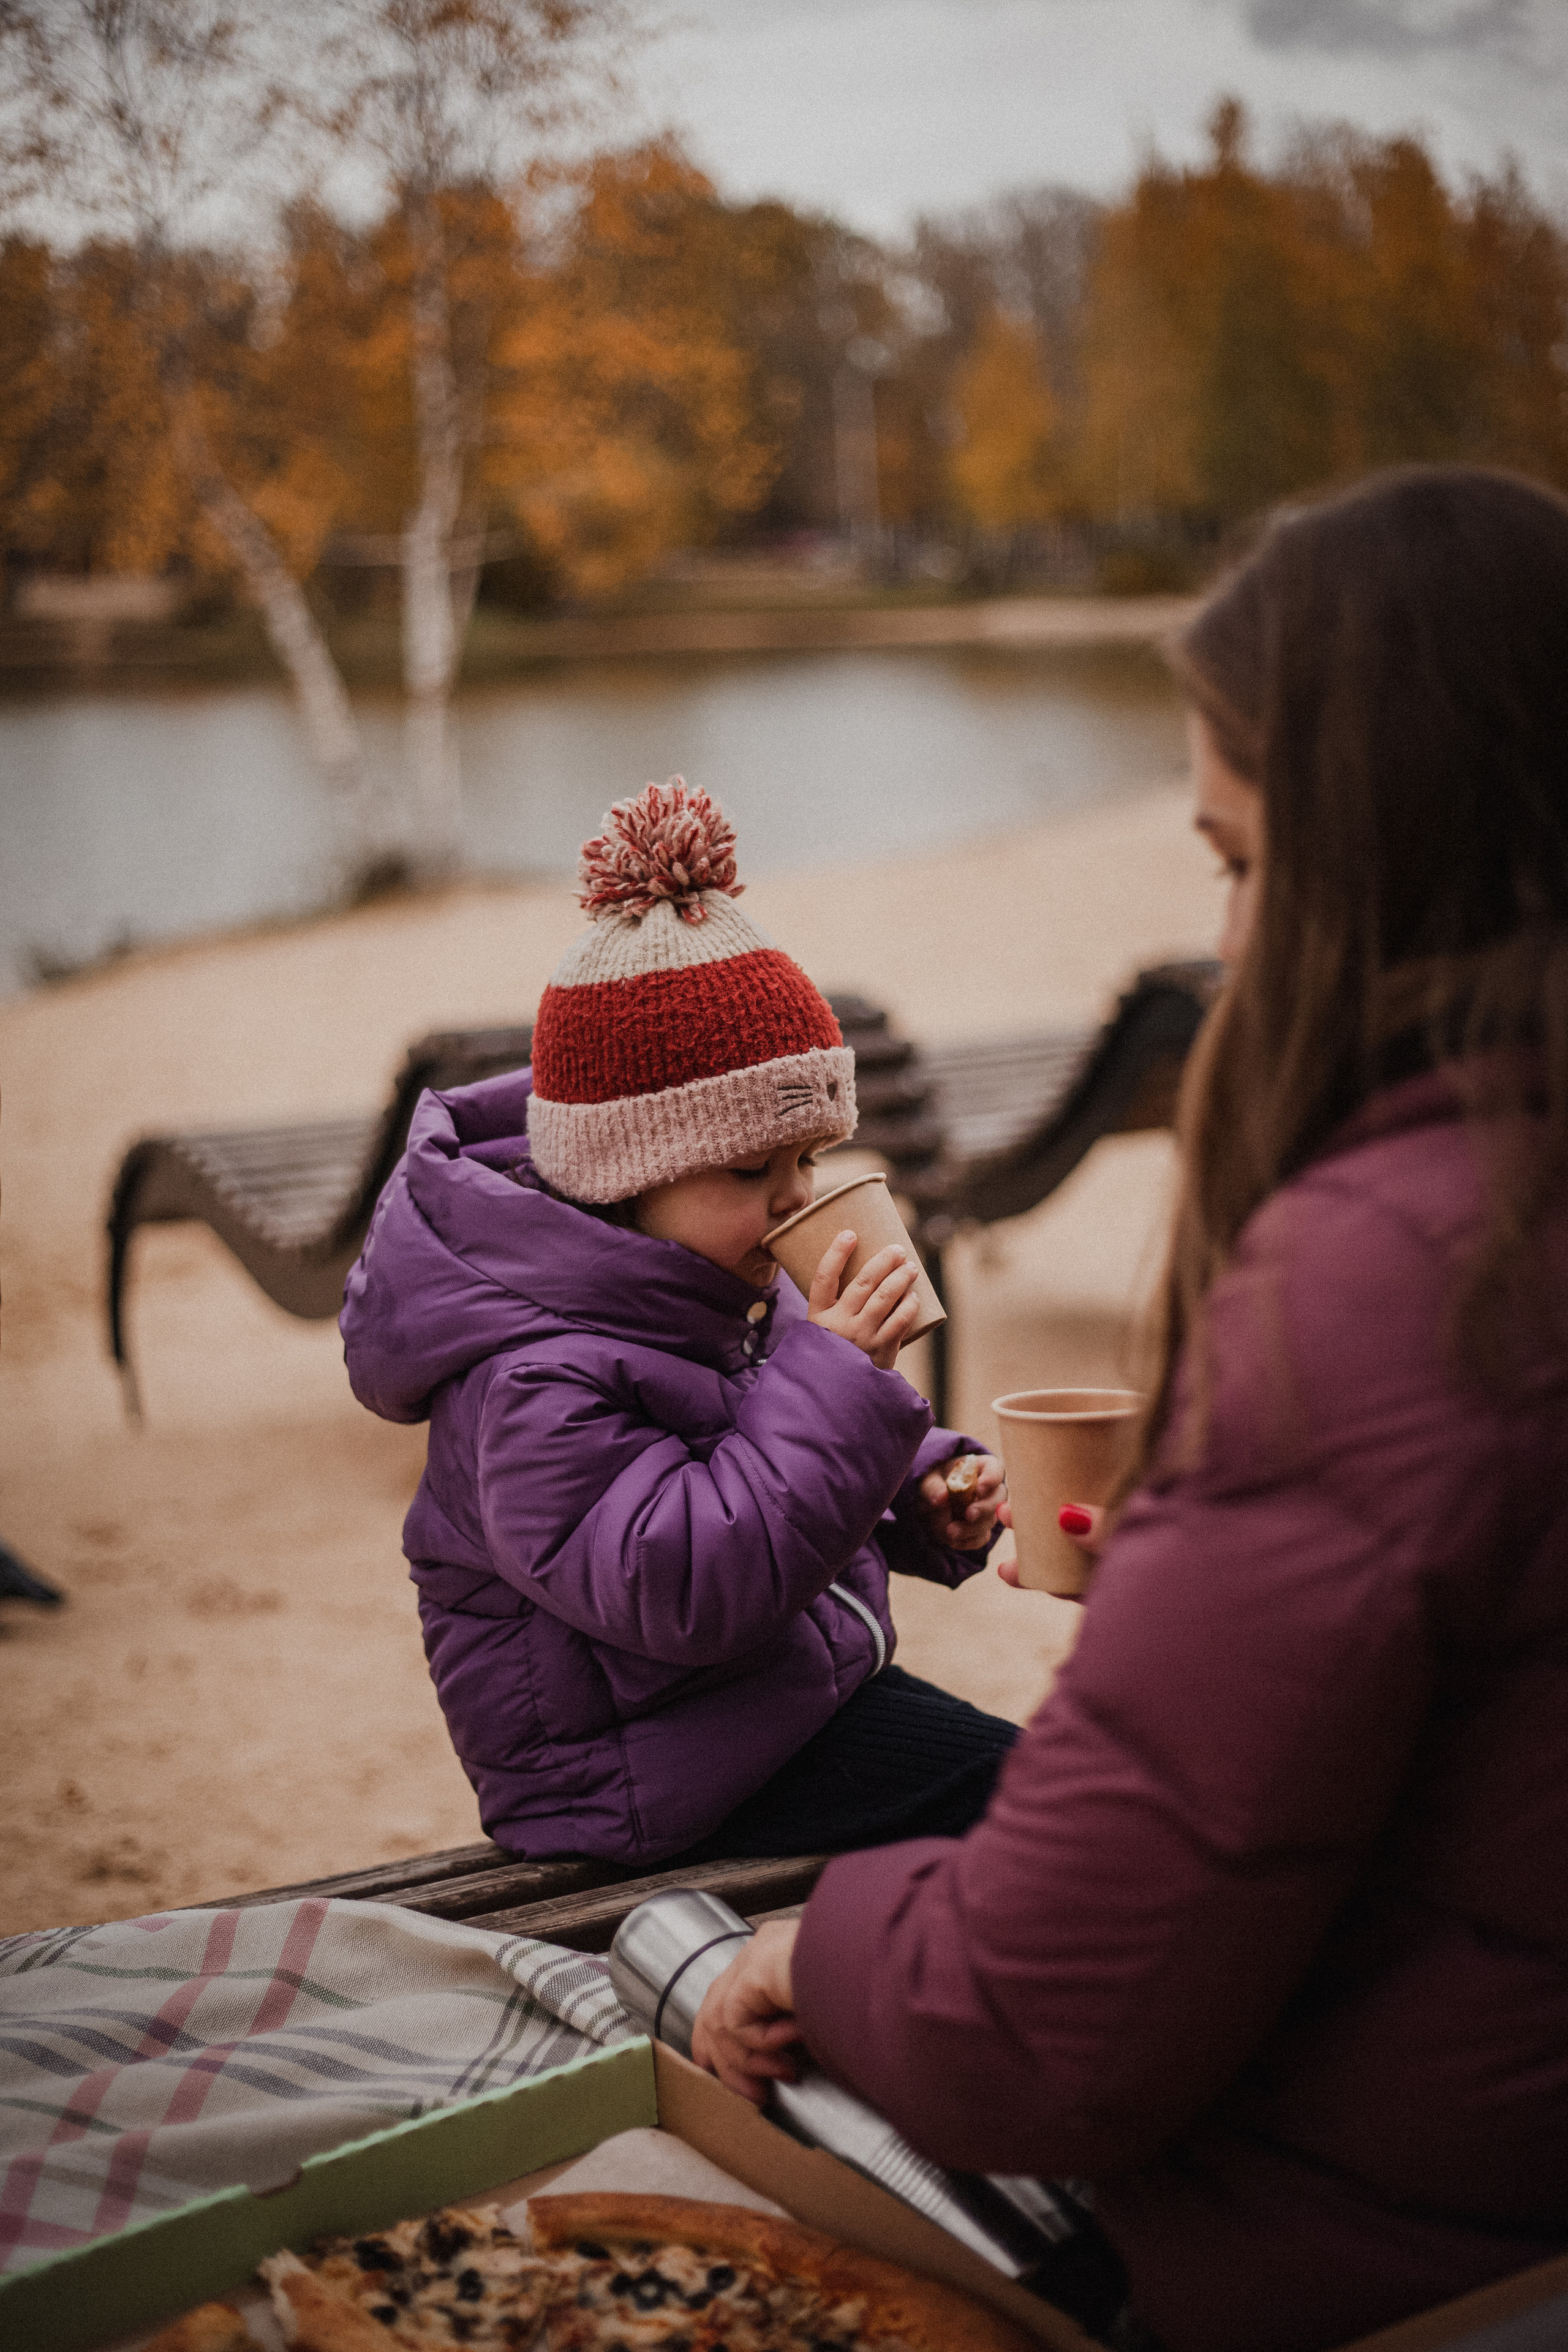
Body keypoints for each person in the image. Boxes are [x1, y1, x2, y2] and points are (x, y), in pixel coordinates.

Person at [692, 467, 1568, 2352]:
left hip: (1394, 2267)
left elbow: (1047, 2032)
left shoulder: (1400, 1278)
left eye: (1244, 863)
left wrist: (817, 1948)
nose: (1234, 944)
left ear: (1387, 859)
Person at [340, 778, 1012, 1867]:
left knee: (1054, 1787)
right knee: (1028, 1805)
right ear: (623, 1179)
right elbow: (684, 1586)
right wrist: (840, 1375)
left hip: (767, 1715)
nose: (797, 1197)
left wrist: (918, 1492)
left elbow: (754, 1447)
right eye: (753, 1168)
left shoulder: (714, 1272)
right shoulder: (529, 1377)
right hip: (638, 1788)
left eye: (809, 1158)